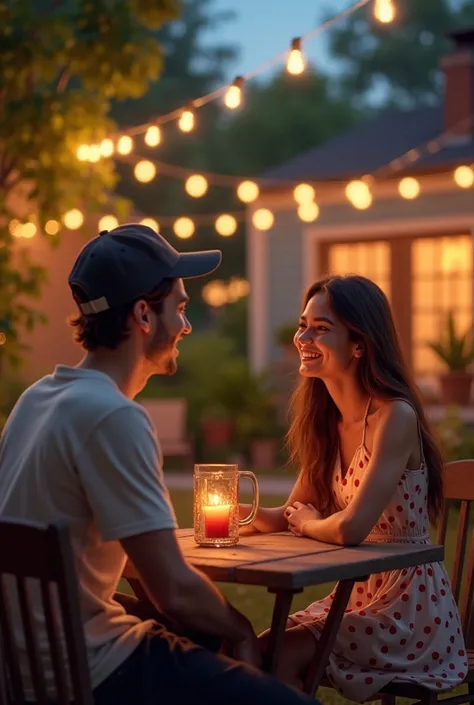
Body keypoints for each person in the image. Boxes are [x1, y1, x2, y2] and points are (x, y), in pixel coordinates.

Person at [0, 224, 316, 705]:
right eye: (181, 308)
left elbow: (133, 563)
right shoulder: (112, 416)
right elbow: (174, 588)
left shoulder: (37, 399)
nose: (186, 326)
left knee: (205, 642)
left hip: (23, 666)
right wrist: (242, 629)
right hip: (90, 671)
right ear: (144, 314)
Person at [243, 275, 467, 702]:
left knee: (275, 652)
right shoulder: (326, 421)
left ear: (360, 343)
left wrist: (309, 523)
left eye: (322, 328)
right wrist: (233, 515)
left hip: (410, 610)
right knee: (255, 647)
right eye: (303, 324)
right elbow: (290, 513)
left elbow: (349, 530)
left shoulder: (394, 417)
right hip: (358, 597)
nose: (303, 337)